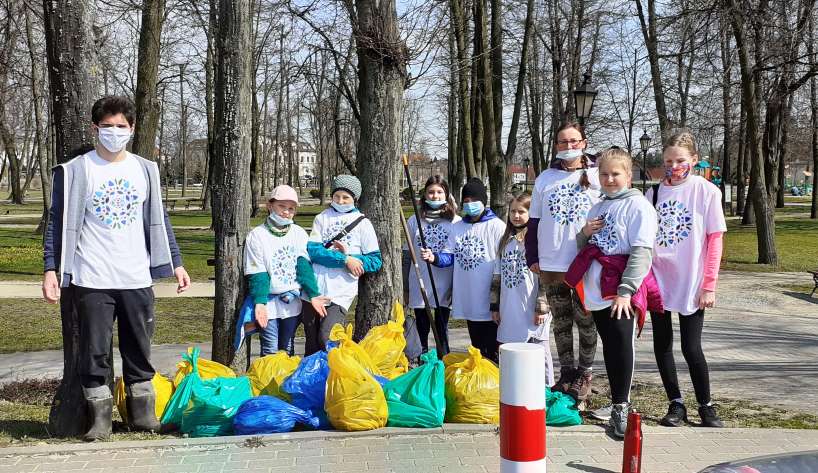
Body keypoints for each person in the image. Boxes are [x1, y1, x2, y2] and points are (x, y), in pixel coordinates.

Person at [41, 96, 191, 441]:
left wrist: (177, 263)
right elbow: (56, 223)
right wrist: (51, 268)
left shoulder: (145, 169)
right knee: (94, 352)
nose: (113, 132)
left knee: (139, 349)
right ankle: (100, 421)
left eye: (120, 126)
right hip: (91, 277)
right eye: (106, 126)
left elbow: (160, 222)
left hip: (135, 277)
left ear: (132, 129)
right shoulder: (77, 170)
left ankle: (142, 416)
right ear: (95, 129)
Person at [564, 147, 661, 438]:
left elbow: (642, 251)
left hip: (620, 290)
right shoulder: (599, 205)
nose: (609, 179)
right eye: (604, 174)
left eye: (615, 174)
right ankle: (617, 398)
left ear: (628, 176)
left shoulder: (638, 206)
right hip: (597, 290)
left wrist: (626, 291)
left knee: (621, 345)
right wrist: (584, 234)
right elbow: (586, 247)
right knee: (610, 345)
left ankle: (621, 406)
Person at [646, 131, 727, 428]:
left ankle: (706, 405)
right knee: (662, 344)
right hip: (658, 280)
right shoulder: (653, 194)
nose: (674, 165)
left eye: (680, 160)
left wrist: (709, 284)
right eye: (668, 160)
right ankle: (675, 404)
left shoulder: (706, 192)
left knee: (691, 347)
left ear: (693, 159)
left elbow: (715, 240)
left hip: (691, 281)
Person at [525, 122, 602, 401]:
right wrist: (532, 255)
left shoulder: (596, 176)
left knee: (585, 319)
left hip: (584, 261)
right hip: (551, 261)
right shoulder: (545, 178)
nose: (568, 147)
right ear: (556, 146)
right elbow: (533, 221)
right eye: (562, 142)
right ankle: (566, 372)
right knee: (560, 320)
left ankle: (585, 372)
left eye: (573, 141)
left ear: (583, 142)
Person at [241, 185, 330, 356]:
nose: (286, 212)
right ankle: (269, 382)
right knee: (270, 349)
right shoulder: (257, 235)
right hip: (269, 302)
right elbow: (258, 271)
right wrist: (260, 303)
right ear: (270, 206)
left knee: (287, 347)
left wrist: (313, 294)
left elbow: (303, 267)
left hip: (291, 302)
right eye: (282, 206)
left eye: (291, 208)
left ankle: (284, 382)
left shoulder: (298, 233)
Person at [424, 178, 505, 362]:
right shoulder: (458, 227)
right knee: (476, 346)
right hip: (468, 297)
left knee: (491, 346)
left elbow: (502, 262)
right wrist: (434, 258)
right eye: (466, 201)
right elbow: (449, 255)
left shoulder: (496, 227)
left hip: (488, 298)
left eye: (473, 201)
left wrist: (497, 298)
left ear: (484, 201)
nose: (469, 205)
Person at [301, 175, 382, 355]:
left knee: (327, 337)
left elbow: (375, 260)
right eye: (337, 196)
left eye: (346, 197)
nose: (340, 201)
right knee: (311, 341)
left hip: (340, 292)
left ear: (355, 198)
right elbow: (313, 251)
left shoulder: (363, 224)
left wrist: (353, 259)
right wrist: (344, 260)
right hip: (313, 291)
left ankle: (334, 377)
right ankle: (311, 381)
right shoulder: (322, 218)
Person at [490, 193, 554, 385]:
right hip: (510, 307)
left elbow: (545, 276)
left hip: (532, 306)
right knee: (512, 348)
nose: (516, 216)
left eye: (521, 211)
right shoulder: (505, 242)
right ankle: (517, 387)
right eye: (513, 211)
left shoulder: (537, 241)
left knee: (539, 348)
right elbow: (497, 277)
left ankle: (546, 388)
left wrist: (541, 306)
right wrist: (494, 306)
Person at [404, 176, 459, 357]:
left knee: (441, 330)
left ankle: (444, 362)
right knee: (422, 328)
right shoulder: (414, 220)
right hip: (420, 281)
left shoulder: (455, 222)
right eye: (431, 192)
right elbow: (407, 253)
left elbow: (455, 255)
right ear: (425, 194)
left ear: (446, 194)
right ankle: (422, 362)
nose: (435, 196)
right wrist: (405, 286)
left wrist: (435, 257)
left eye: (439, 192)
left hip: (444, 283)